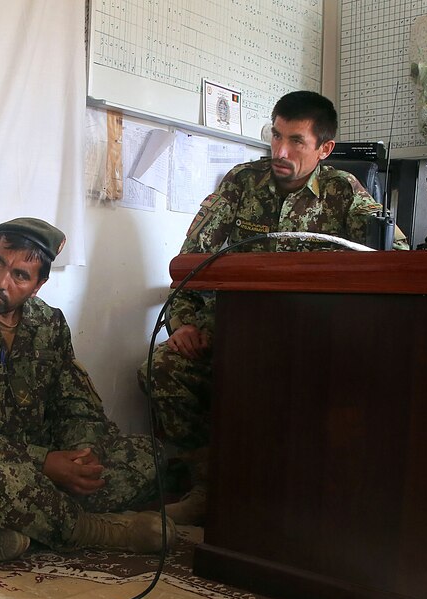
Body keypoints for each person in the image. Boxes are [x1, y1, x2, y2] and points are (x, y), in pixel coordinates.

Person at [138, 91, 406, 526]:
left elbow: (394, 259)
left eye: (296, 141)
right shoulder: (241, 182)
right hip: (235, 328)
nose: (280, 152)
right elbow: (190, 262)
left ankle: (298, 496)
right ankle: (211, 482)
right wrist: (182, 323)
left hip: (313, 339)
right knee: (162, 368)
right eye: (276, 136)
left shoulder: (342, 192)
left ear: (324, 148)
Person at [0, 217, 174, 561]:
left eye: (19, 275)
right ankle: (98, 529)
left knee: (148, 454)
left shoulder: (49, 323)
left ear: (38, 285)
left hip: (41, 465)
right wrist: (43, 461)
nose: (0, 281)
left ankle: (2, 524)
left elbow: (75, 403)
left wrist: (82, 455)